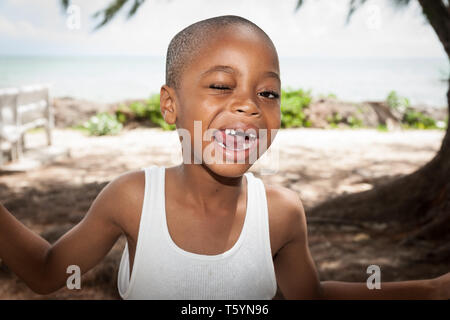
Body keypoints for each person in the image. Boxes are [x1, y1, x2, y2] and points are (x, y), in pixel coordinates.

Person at [0, 15, 448, 300]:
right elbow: (45, 273)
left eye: (267, 92)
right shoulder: (133, 199)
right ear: (170, 105)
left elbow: (311, 296)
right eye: (220, 85)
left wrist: (428, 290)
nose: (249, 104)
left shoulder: (281, 213)